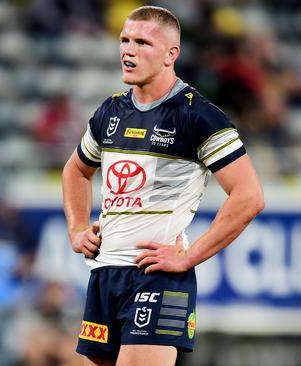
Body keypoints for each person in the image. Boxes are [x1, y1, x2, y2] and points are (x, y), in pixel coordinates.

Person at [61, 6, 264, 366]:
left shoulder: (198, 115)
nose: (128, 50)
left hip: (156, 278)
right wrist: (77, 227)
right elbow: (76, 170)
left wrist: (188, 256)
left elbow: (249, 197)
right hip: (105, 274)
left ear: (172, 54)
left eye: (142, 42)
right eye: (125, 40)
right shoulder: (110, 112)